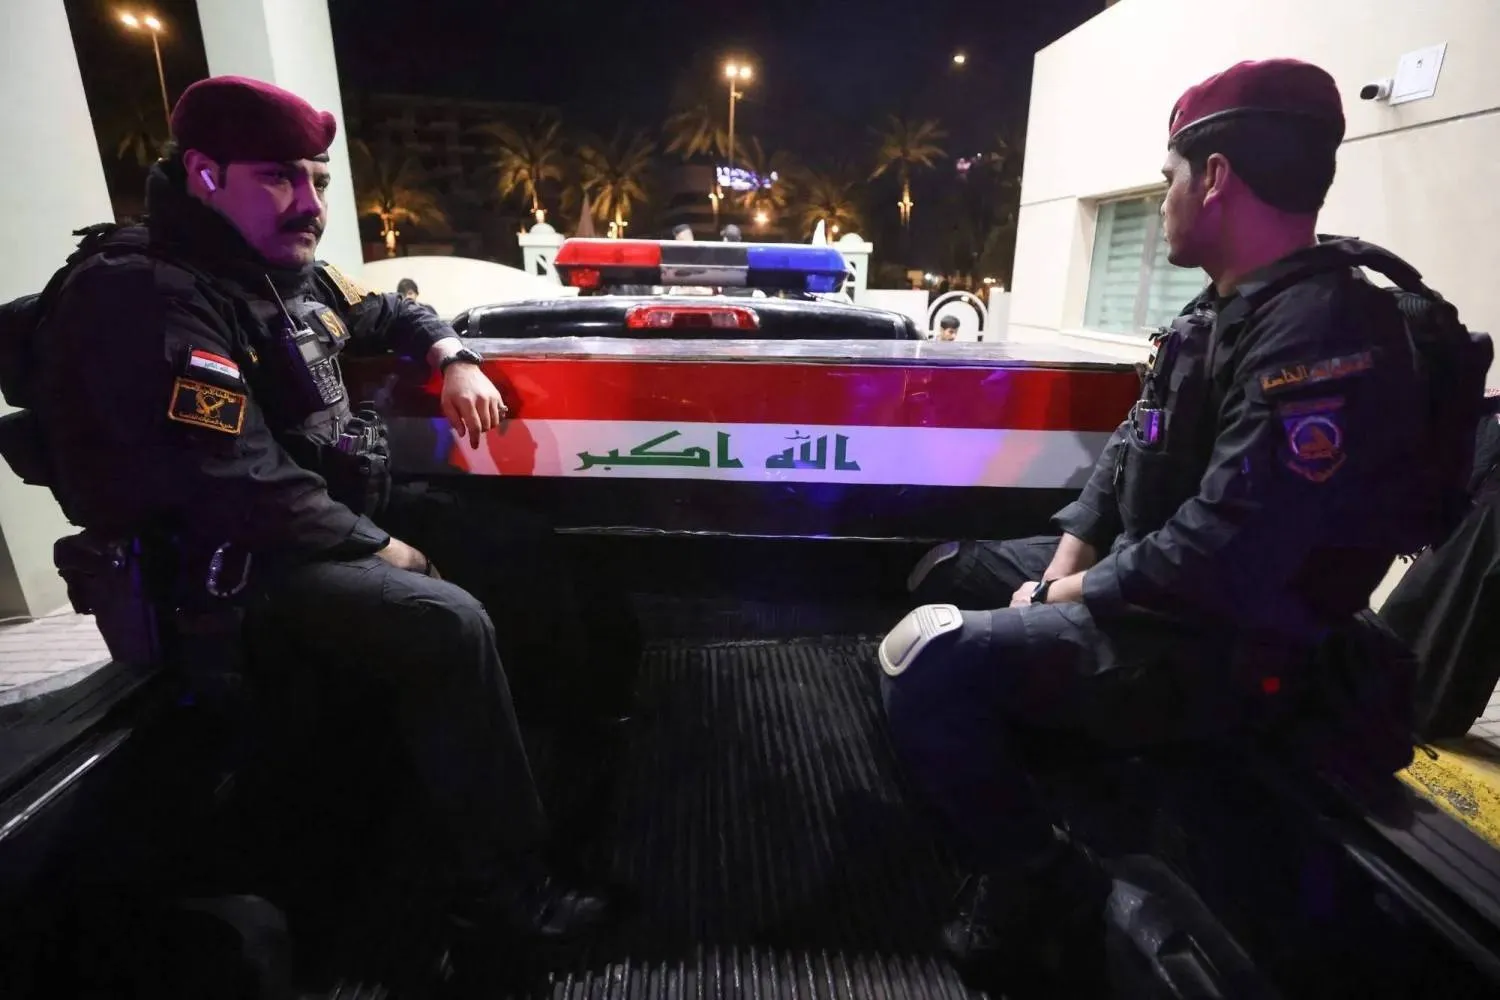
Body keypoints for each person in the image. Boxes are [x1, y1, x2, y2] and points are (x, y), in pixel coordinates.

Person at [880, 58, 1475, 991]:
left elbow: (1227, 550)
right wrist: (1073, 549)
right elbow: (1133, 444)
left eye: (1168, 179)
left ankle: (1037, 876)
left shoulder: (1322, 335)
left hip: (1229, 647)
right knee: (950, 572)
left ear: (1218, 177)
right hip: (1159, 599)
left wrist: (1068, 590)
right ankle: (1066, 786)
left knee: (926, 667)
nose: (1163, 200)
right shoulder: (1230, 305)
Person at [30, 76, 623, 945]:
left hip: (312, 529)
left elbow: (388, 307)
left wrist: (451, 353)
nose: (307, 203)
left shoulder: (271, 271)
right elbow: (230, 478)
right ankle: (503, 896)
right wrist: (380, 546)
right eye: (279, 177)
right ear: (204, 174)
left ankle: (535, 769)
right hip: (223, 573)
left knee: (516, 543)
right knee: (442, 622)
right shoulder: (146, 293)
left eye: (317, 179)